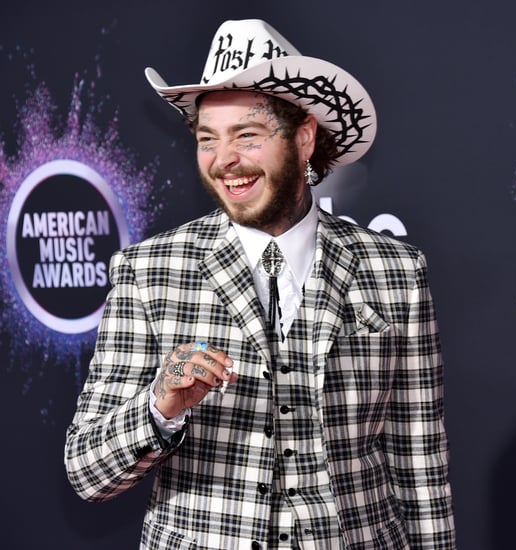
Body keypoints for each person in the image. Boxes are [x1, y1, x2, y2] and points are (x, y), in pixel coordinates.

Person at [64, 18, 456, 550]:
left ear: (304, 137)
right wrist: (161, 405)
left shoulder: (397, 270)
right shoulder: (148, 270)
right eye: (208, 140)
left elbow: (420, 461)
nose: (224, 161)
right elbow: (88, 472)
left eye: (246, 135)